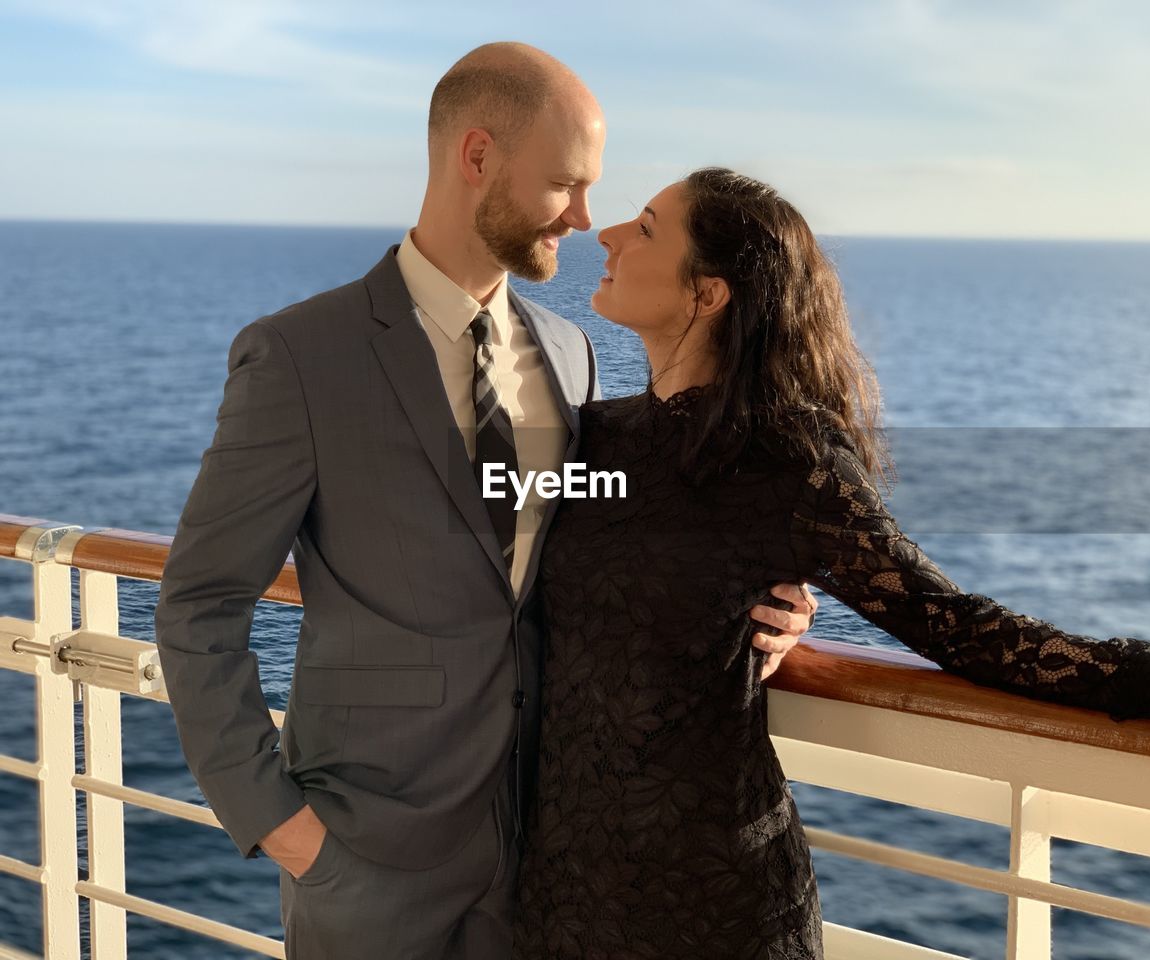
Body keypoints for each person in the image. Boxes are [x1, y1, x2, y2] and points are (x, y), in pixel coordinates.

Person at [511, 167, 1150, 958]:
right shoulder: (590, 440)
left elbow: (951, 623)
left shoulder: (789, 459)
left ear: (708, 294)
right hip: (563, 892)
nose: (603, 235)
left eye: (642, 227)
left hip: (712, 896)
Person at [153, 47, 815, 959]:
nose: (587, 218)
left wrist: (770, 590)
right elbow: (200, 602)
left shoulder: (571, 353)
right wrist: (280, 828)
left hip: (543, 861)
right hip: (363, 865)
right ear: (477, 158)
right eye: (564, 185)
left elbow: (615, 529)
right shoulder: (300, 357)